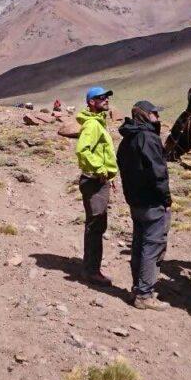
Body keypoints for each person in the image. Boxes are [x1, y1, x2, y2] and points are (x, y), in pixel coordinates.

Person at [117, 101, 172, 310]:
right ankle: (144, 295)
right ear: (146, 115)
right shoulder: (148, 138)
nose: (158, 118)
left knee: (139, 245)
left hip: (135, 201)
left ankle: (138, 287)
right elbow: (158, 173)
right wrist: (166, 199)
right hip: (152, 202)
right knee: (153, 246)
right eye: (155, 114)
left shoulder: (127, 138)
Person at [75, 86, 119, 285]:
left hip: (99, 181)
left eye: (107, 97)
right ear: (91, 102)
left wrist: (109, 175)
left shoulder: (98, 123)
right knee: (95, 225)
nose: (106, 100)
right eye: (101, 98)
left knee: (97, 225)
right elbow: (83, 151)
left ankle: (91, 267)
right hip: (94, 182)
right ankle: (91, 271)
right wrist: (101, 169)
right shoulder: (92, 125)